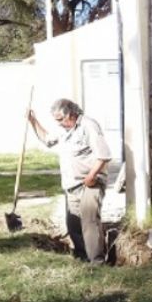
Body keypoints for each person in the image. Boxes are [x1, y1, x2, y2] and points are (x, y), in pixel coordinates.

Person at [28, 99, 111, 264]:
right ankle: (82, 258)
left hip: (91, 182)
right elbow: (47, 140)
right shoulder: (63, 129)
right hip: (71, 184)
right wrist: (33, 121)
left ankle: (97, 262)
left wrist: (91, 176)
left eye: (60, 119)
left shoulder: (88, 126)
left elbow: (104, 155)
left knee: (89, 220)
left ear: (71, 114)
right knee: (73, 223)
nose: (58, 123)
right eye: (56, 120)